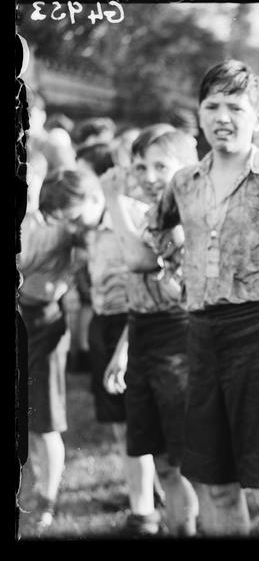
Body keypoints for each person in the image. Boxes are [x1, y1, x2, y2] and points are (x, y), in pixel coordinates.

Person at [148, 59, 259, 537]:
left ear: (257, 114)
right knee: (213, 477)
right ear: (199, 113)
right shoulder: (183, 181)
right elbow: (160, 228)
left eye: (235, 106)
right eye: (211, 105)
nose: (221, 116)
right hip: (201, 335)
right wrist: (171, 270)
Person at [38, 169, 162, 536]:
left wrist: (124, 345)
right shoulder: (86, 231)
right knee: (116, 422)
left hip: (135, 322)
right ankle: (144, 493)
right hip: (103, 321)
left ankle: (146, 514)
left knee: (137, 423)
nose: (72, 227)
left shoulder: (131, 218)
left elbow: (146, 288)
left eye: (74, 217)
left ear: (95, 198)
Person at [97, 124, 201, 536]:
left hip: (178, 339)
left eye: (161, 165)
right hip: (142, 335)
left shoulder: (178, 217)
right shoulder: (142, 210)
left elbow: (141, 260)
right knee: (160, 460)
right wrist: (124, 348)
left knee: (182, 459)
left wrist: (110, 197)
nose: (148, 174)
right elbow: (140, 296)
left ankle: (192, 527)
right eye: (140, 165)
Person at [17, 150, 77, 531]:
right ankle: (35, 487)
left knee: (45, 421)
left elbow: (24, 261)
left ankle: (47, 498)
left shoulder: (56, 225)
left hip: (44, 321)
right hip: (23, 314)